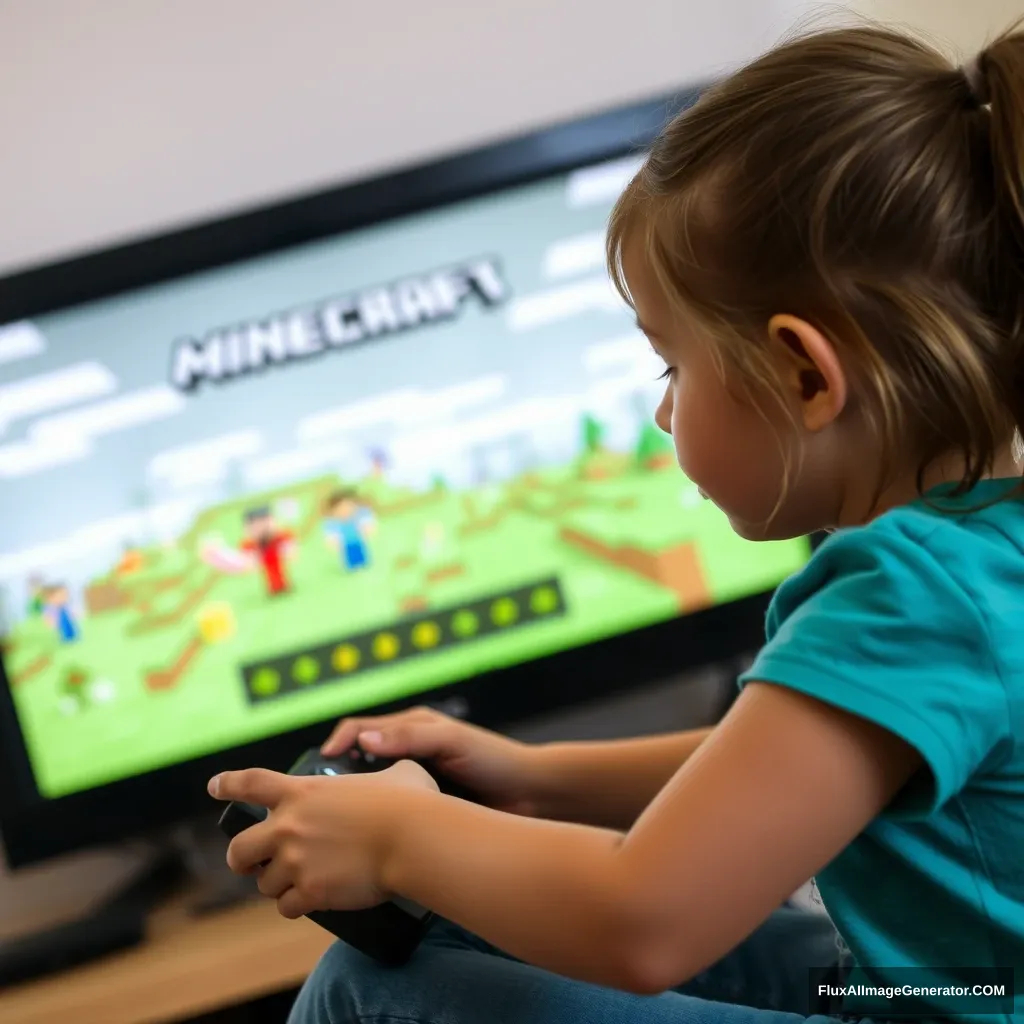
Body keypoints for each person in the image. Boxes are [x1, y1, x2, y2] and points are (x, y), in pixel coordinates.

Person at [207, 21, 1024, 1024]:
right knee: (464, 927)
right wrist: (536, 779)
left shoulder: (907, 591)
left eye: (671, 364)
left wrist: (397, 840)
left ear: (804, 373)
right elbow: (788, 777)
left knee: (378, 992)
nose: (664, 410)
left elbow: (643, 921)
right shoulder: (985, 554)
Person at [322, 490, 376, 572]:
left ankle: (364, 563)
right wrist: (334, 543)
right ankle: (352, 567)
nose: (346, 510)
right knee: (349, 556)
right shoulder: (334, 523)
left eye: (349, 506)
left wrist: (367, 530)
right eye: (341, 508)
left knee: (361, 553)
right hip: (346, 544)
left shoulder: (357, 517)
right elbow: (331, 535)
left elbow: (366, 522)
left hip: (358, 540)